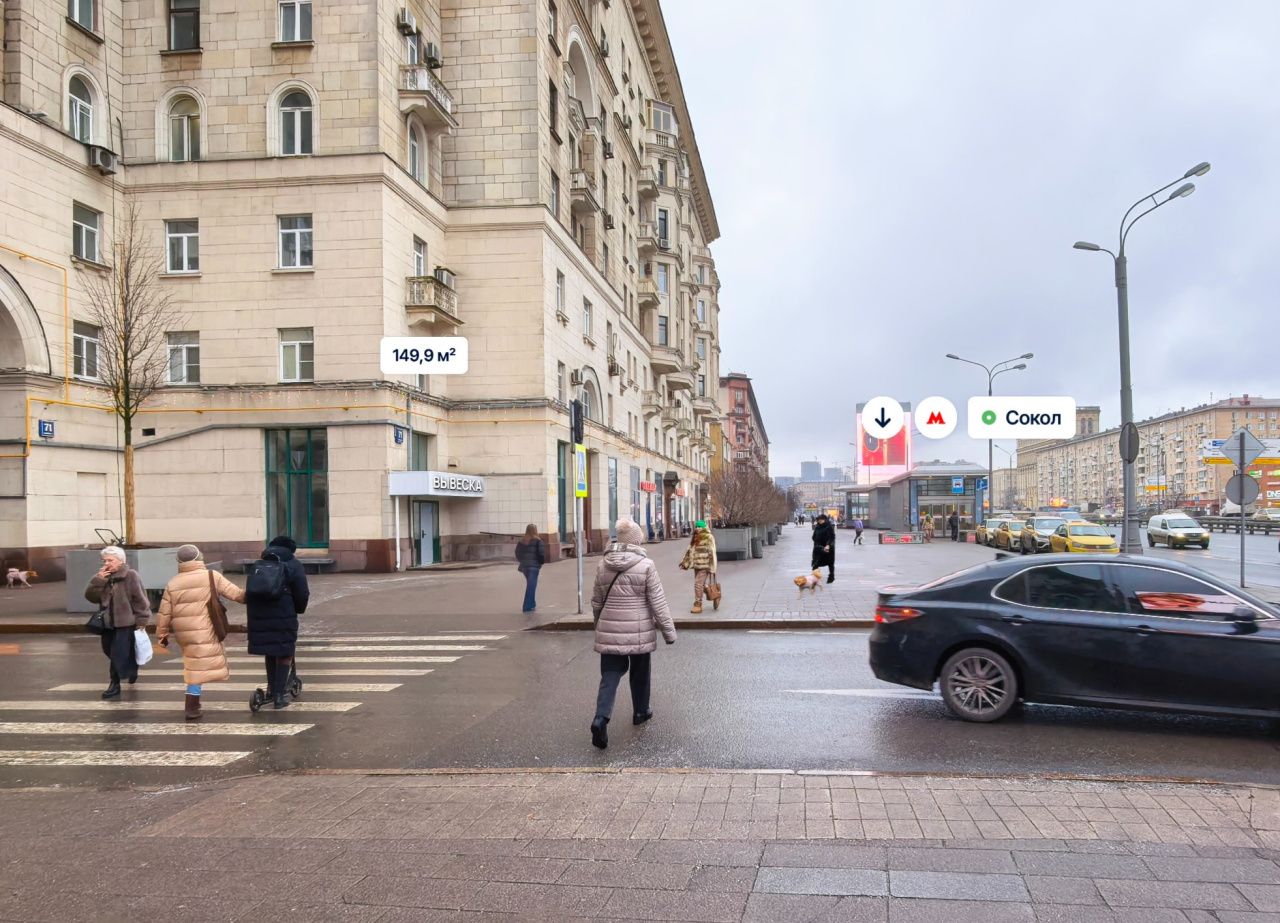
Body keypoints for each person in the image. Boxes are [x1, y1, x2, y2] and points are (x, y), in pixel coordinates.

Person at [589, 518, 676, 749]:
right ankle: (640, 711)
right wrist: (669, 632)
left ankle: (600, 718)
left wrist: (599, 625)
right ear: (637, 541)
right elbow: (658, 602)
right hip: (639, 631)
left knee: (609, 675)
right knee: (640, 673)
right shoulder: (646, 565)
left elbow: (596, 601)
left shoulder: (603, 564)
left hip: (610, 630)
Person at [155, 544, 245, 720]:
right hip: (204, 628)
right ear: (199, 558)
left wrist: (162, 635)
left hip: (183, 632)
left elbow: (164, 613)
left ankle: (193, 705)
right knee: (196, 669)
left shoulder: (173, 582)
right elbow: (237, 595)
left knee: (193, 664)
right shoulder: (211, 576)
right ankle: (192, 707)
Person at [245, 534, 310, 709]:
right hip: (283, 614)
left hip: (258, 615)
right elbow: (302, 593)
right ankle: (279, 696)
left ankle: (271, 691)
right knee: (285, 652)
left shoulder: (259, 564)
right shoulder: (293, 564)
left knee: (270, 651)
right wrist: (298, 609)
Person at [85, 546, 152, 699]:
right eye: (104, 561)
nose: (106, 563)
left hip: (125, 623)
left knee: (118, 653)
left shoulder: (131, 575)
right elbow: (91, 597)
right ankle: (132, 667)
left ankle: (114, 684)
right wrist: (99, 580)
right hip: (107, 624)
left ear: (120, 561)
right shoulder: (103, 577)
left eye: (110, 560)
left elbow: (140, 600)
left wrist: (142, 620)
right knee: (108, 650)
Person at [679, 521, 718, 614]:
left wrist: (713, 567)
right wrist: (684, 562)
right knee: (701, 585)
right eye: (697, 527)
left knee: (697, 584)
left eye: (700, 527)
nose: (698, 529)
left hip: (705, 565)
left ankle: (698, 604)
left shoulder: (709, 537)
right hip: (696, 565)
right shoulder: (695, 537)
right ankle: (715, 595)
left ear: (704, 527)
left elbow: (712, 552)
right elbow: (689, 551)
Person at [515, 524, 546, 614]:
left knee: (531, 585)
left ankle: (532, 603)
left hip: (525, 567)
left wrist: (522, 561)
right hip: (534, 567)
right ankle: (527, 606)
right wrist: (540, 563)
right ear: (535, 530)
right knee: (531, 586)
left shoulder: (522, 541)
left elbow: (517, 553)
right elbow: (541, 554)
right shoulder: (538, 541)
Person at [811, 513, 836, 583]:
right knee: (816, 563)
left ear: (825, 520)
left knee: (830, 563)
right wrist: (816, 541)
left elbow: (831, 537)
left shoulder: (829, 527)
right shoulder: (817, 527)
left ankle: (831, 576)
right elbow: (814, 536)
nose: (819, 521)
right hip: (818, 548)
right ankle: (814, 577)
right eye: (818, 520)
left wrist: (828, 545)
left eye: (821, 520)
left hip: (827, 547)